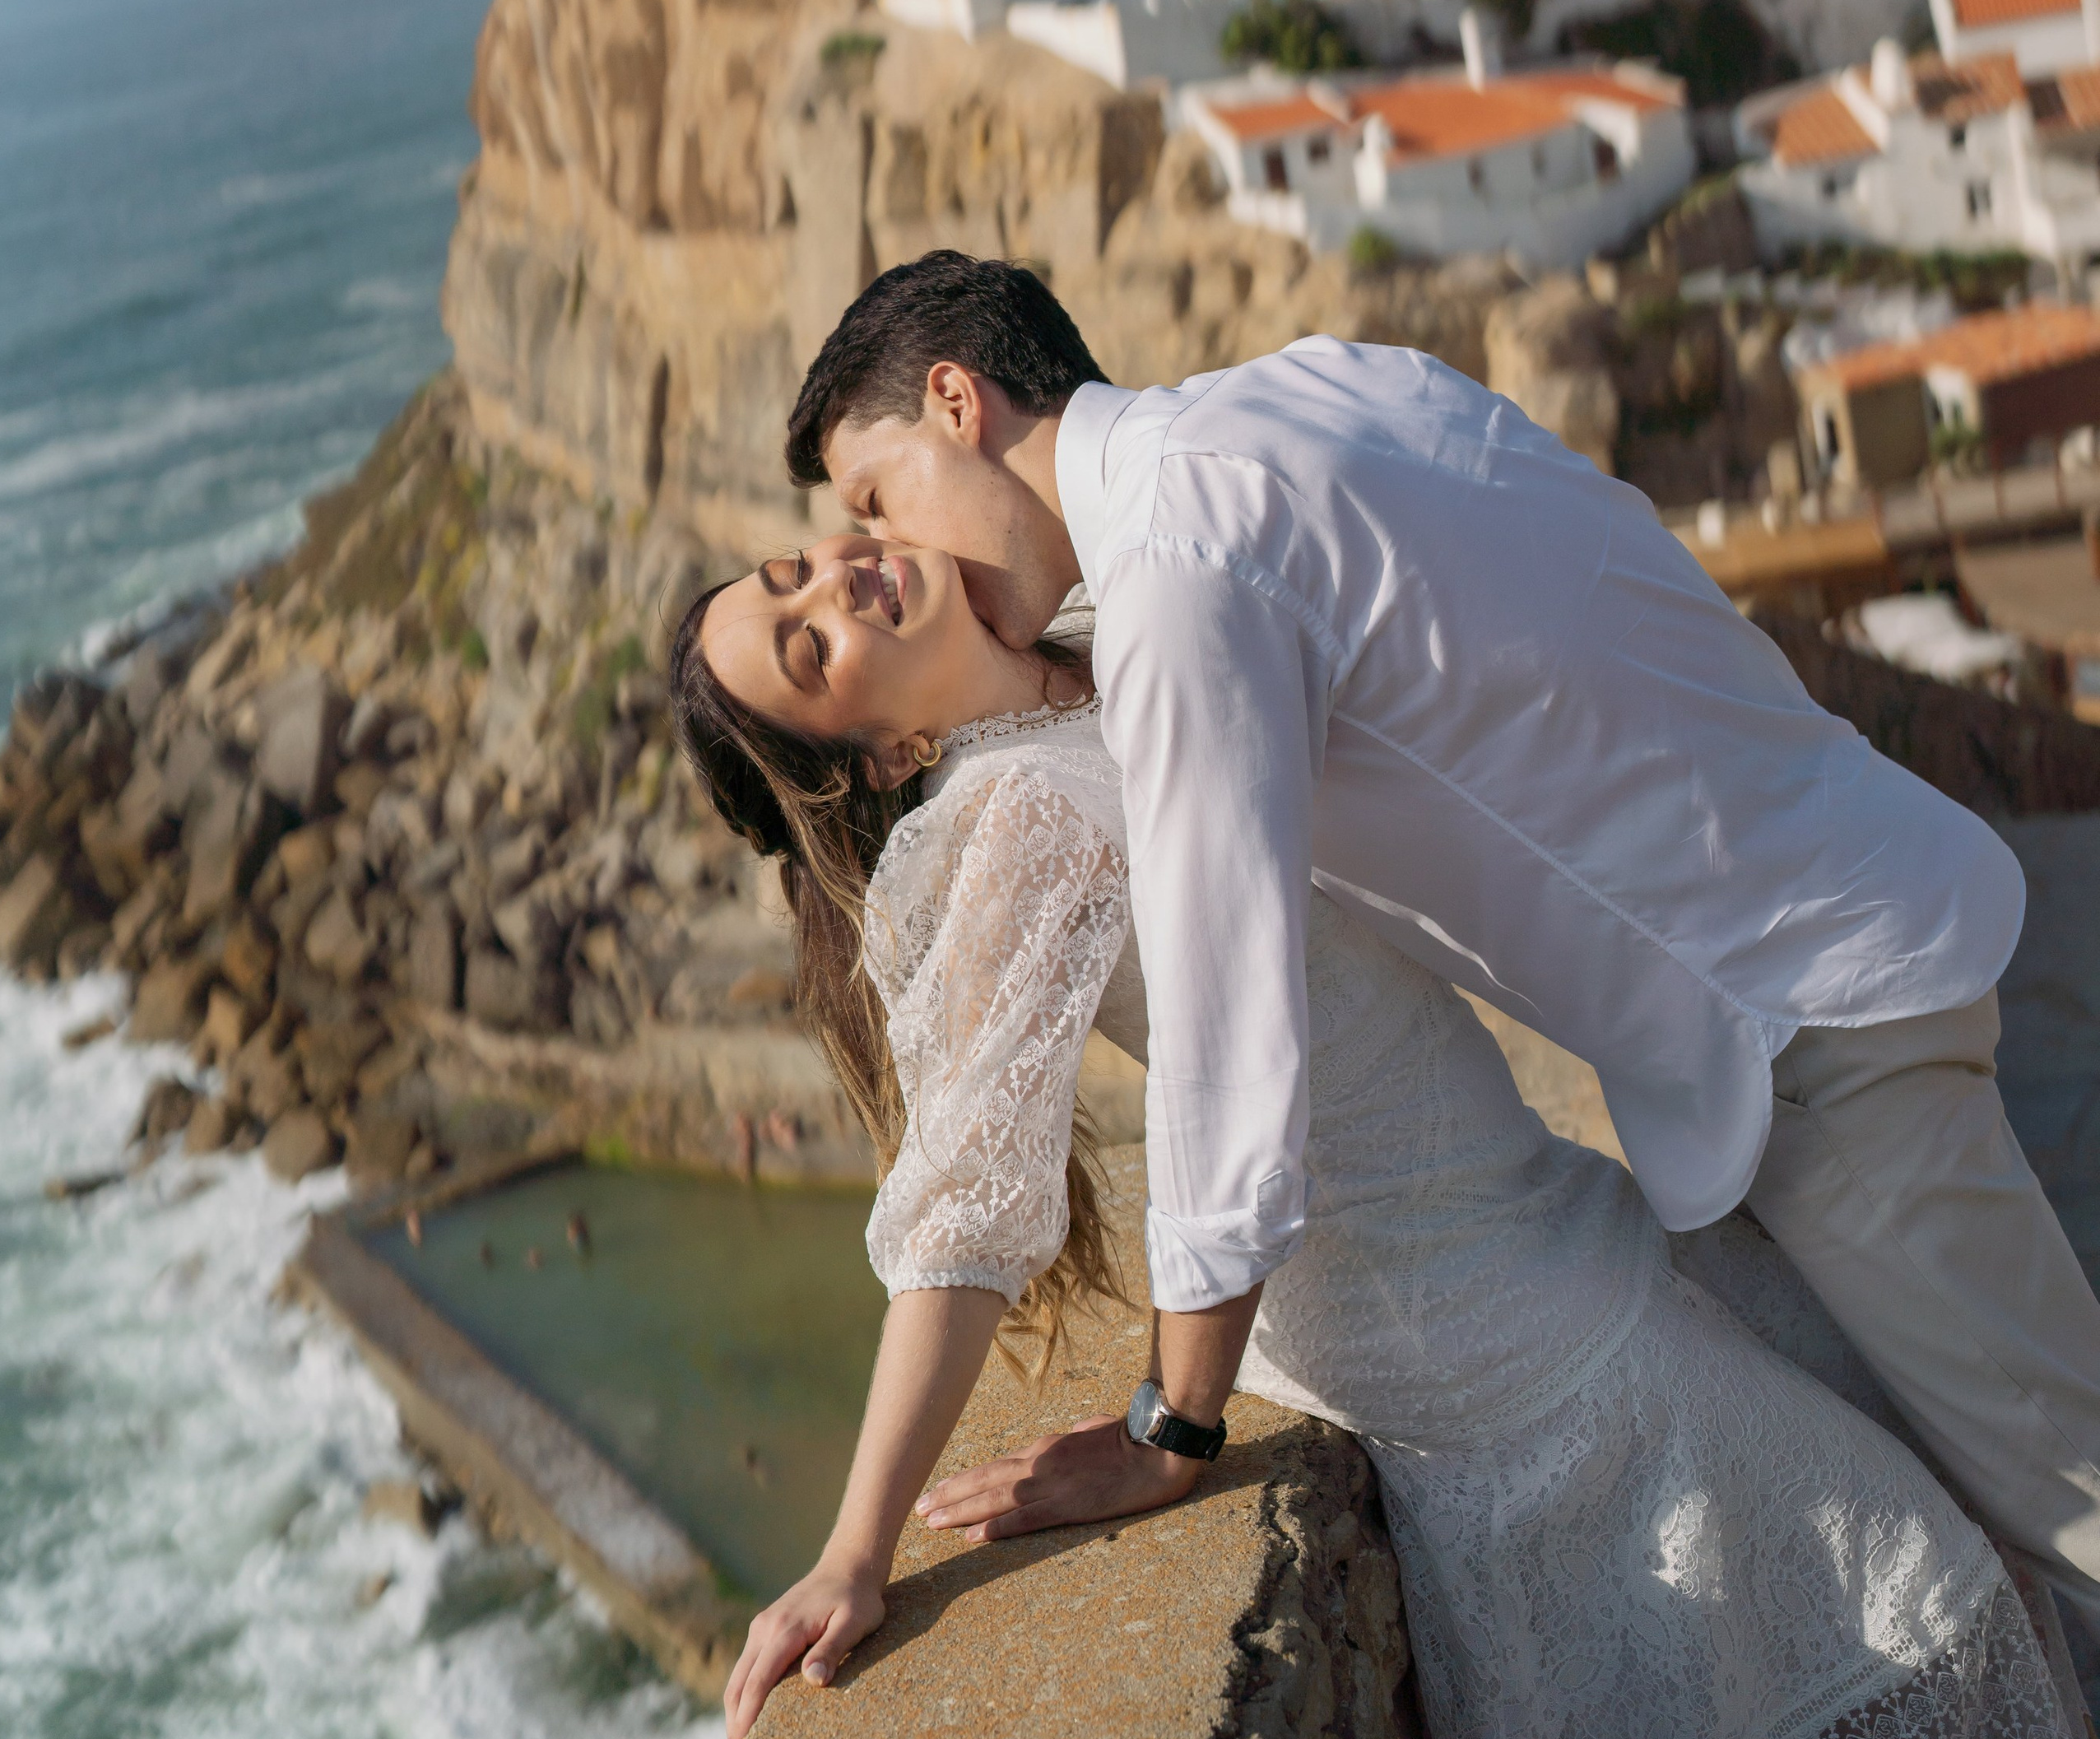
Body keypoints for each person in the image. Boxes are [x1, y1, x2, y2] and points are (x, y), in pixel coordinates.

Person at [674, 533, 2100, 1739]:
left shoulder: (1097, 639)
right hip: (1447, 1296)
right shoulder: (1013, 818)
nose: (828, 587)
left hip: (1528, 1196)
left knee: (1936, 1535)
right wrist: (857, 1549)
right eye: (804, 648)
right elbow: (962, 1223)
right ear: (883, 748)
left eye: (793, 569)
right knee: (1915, 1585)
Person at [771, 252, 2100, 1640]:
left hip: (1804, 1011)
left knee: (2071, 1502)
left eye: (877, 494)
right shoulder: (1305, 387)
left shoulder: (1175, 575)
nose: (889, 549)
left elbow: (1230, 1042)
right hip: (1829, 910)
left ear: (955, 399)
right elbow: (1613, 548)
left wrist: (1174, 1425)